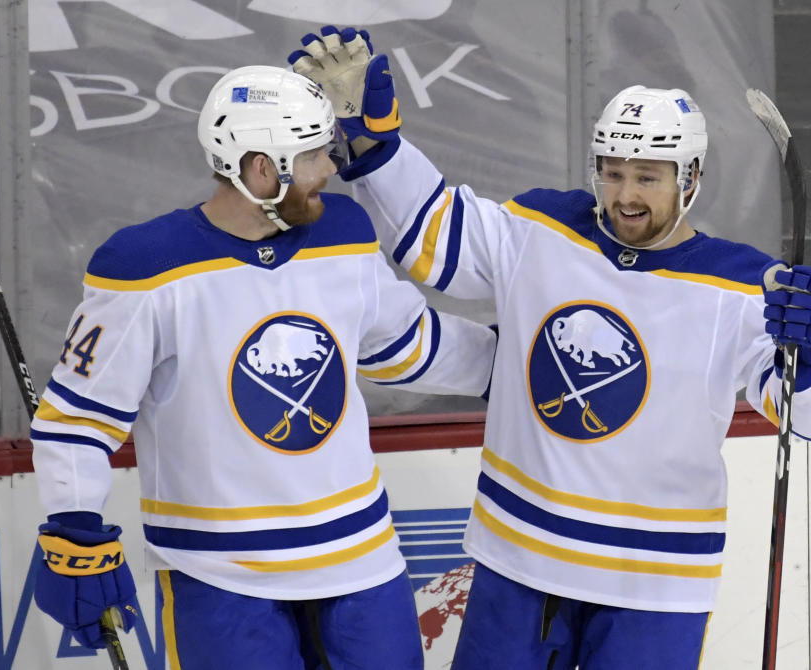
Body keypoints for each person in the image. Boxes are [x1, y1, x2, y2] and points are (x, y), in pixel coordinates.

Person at [289, 27, 811, 669]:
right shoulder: (546, 229)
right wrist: (375, 146)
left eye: (648, 177)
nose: (625, 196)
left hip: (655, 585)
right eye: (612, 174)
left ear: (690, 177)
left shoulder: (742, 285)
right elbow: (435, 235)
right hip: (520, 562)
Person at [28, 65, 497, 670]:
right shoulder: (146, 267)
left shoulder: (344, 234)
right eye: (311, 155)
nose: (330, 167)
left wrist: (504, 365)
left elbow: (403, 343)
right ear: (259, 168)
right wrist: (73, 529)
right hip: (218, 574)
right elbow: (77, 419)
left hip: (360, 559)